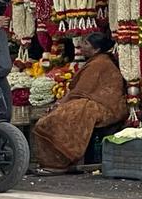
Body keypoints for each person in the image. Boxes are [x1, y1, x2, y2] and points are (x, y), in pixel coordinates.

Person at [31, 32, 127, 174]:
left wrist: (61, 104)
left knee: (66, 116)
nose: (81, 46)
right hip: (96, 102)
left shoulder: (100, 63)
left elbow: (80, 91)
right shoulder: (98, 61)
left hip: (107, 106)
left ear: (96, 49)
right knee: (66, 113)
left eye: (86, 43)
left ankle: (59, 161)